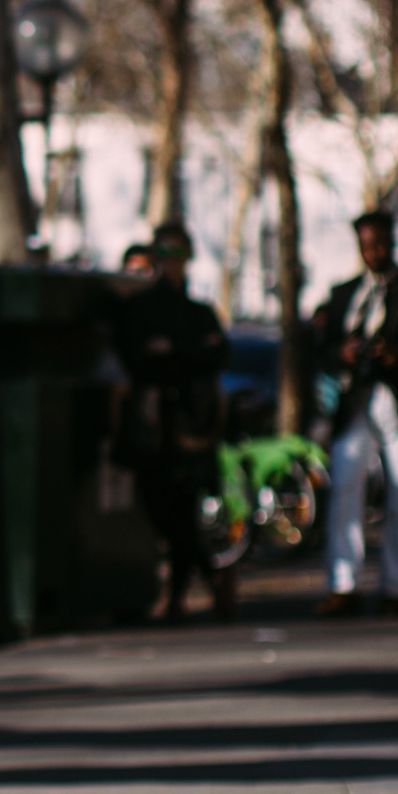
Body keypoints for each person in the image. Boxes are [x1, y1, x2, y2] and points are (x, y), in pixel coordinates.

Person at [311, 210, 398, 619]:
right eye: (365, 246)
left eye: (379, 244)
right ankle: (343, 583)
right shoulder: (344, 295)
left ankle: (396, 586)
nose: (372, 253)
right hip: (356, 403)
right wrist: (342, 354)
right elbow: (321, 350)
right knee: (344, 485)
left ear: (392, 243)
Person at [112, 222, 233, 622]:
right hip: (155, 426)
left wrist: (172, 351)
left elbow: (217, 354)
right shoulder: (141, 308)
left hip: (193, 425)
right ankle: (211, 574)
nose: (169, 263)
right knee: (161, 507)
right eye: (162, 253)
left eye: (177, 254)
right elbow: (138, 357)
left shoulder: (199, 311)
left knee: (183, 508)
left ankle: (179, 596)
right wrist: (190, 353)